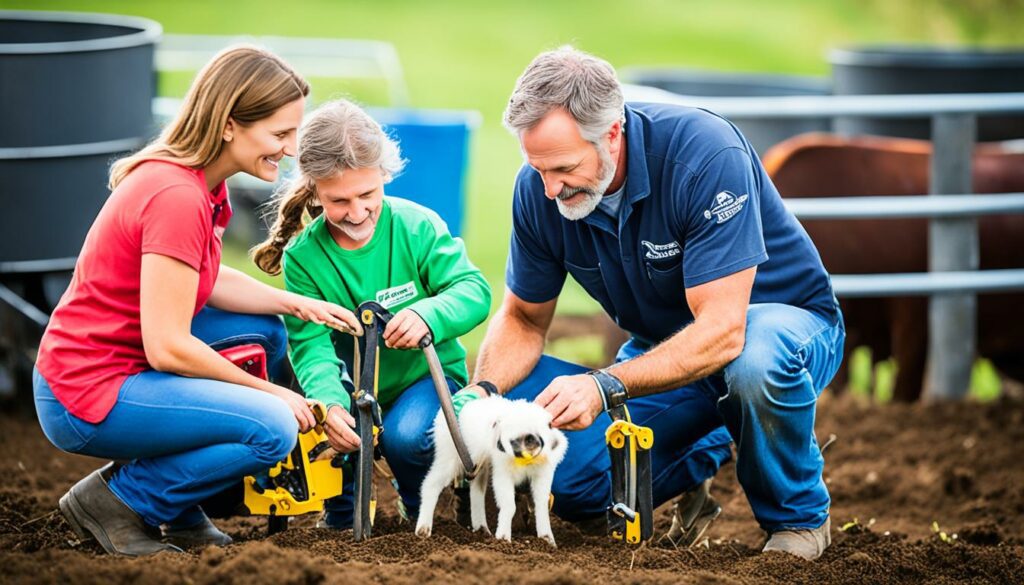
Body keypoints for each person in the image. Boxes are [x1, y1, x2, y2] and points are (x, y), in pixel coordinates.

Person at [462, 47, 845, 560]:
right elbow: (524, 318)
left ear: (612, 134)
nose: (550, 188)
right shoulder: (539, 188)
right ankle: (709, 446)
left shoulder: (705, 155)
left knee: (753, 363)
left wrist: (605, 385)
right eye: (537, 168)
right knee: (578, 485)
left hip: (782, 331)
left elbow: (725, 331)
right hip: (664, 351)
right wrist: (481, 396)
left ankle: (798, 521)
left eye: (564, 167)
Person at [33, 46, 363, 557]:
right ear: (230, 124)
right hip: (87, 391)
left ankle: (178, 507)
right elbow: (167, 347)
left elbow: (200, 278)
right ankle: (119, 501)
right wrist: (271, 395)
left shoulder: (200, 184)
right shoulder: (176, 197)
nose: (293, 149)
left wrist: (295, 303)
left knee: (267, 332)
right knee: (271, 429)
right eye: (280, 134)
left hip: (121, 365)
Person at [252, 99, 491, 529]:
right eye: (338, 201)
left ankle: (420, 505)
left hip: (422, 379)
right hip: (348, 382)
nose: (357, 213)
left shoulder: (417, 227)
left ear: (385, 174)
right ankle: (342, 515)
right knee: (333, 432)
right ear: (313, 189)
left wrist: (428, 315)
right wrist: (329, 404)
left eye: (367, 194)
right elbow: (310, 346)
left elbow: (474, 291)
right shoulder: (304, 258)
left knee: (406, 438)